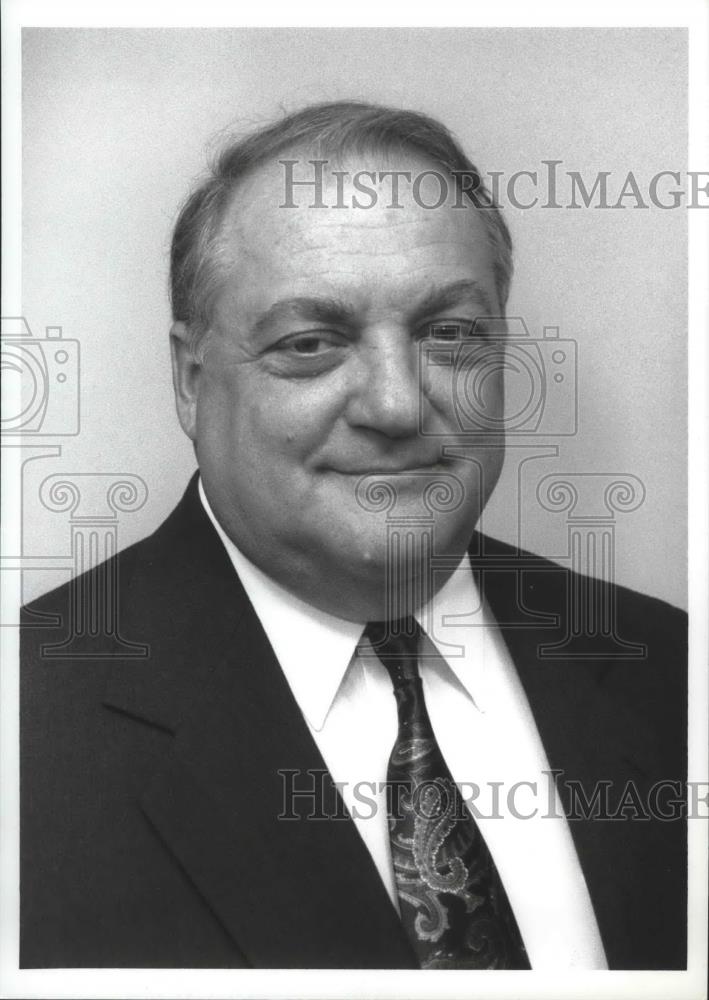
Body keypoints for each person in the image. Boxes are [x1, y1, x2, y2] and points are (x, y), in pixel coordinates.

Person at [20, 101, 687, 971]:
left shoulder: (669, 666)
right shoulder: (31, 725)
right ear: (190, 380)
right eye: (310, 343)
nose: (395, 404)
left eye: (449, 334)